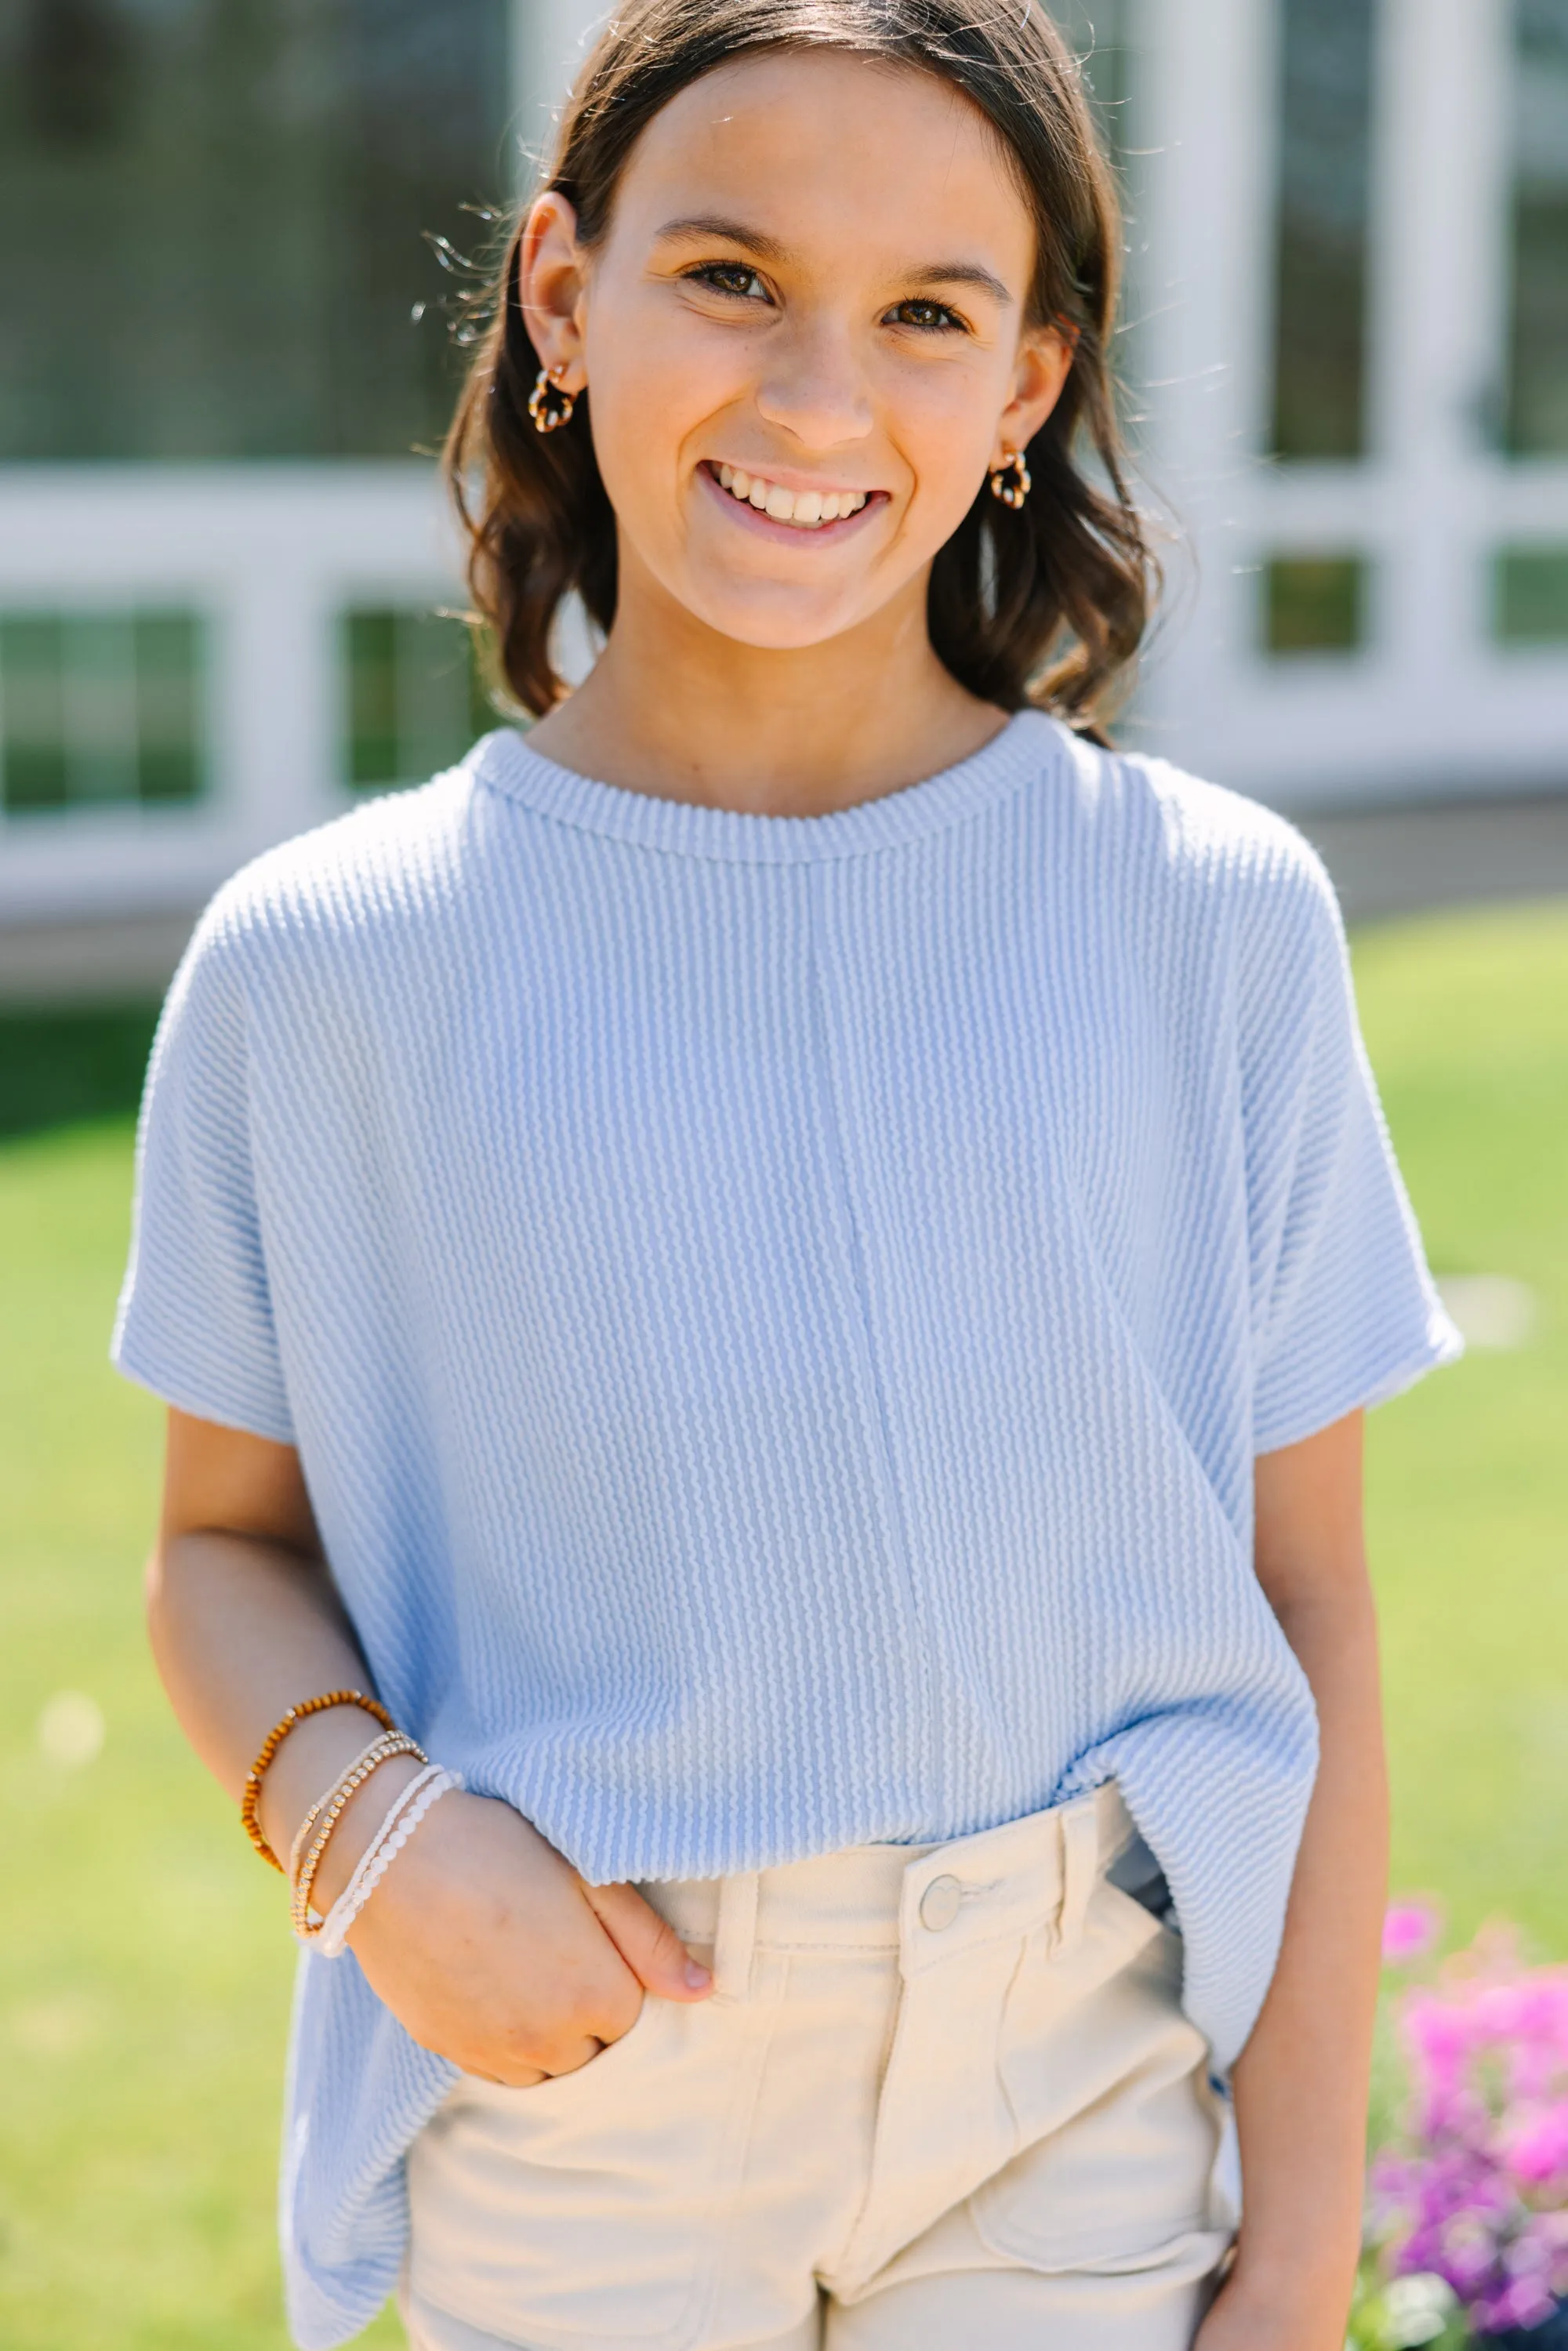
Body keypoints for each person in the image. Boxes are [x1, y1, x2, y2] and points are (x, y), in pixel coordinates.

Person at [113, 5, 1462, 2349]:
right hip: (584, 2093)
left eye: (930, 313)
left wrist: (1302, 2234)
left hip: (1083, 2093)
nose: (820, 401)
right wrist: (384, 1842)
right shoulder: (324, 964)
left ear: (1027, 385)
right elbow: (220, 1557)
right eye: (730, 275)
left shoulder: (1213, 917)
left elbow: (1310, 1608)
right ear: (563, 295)